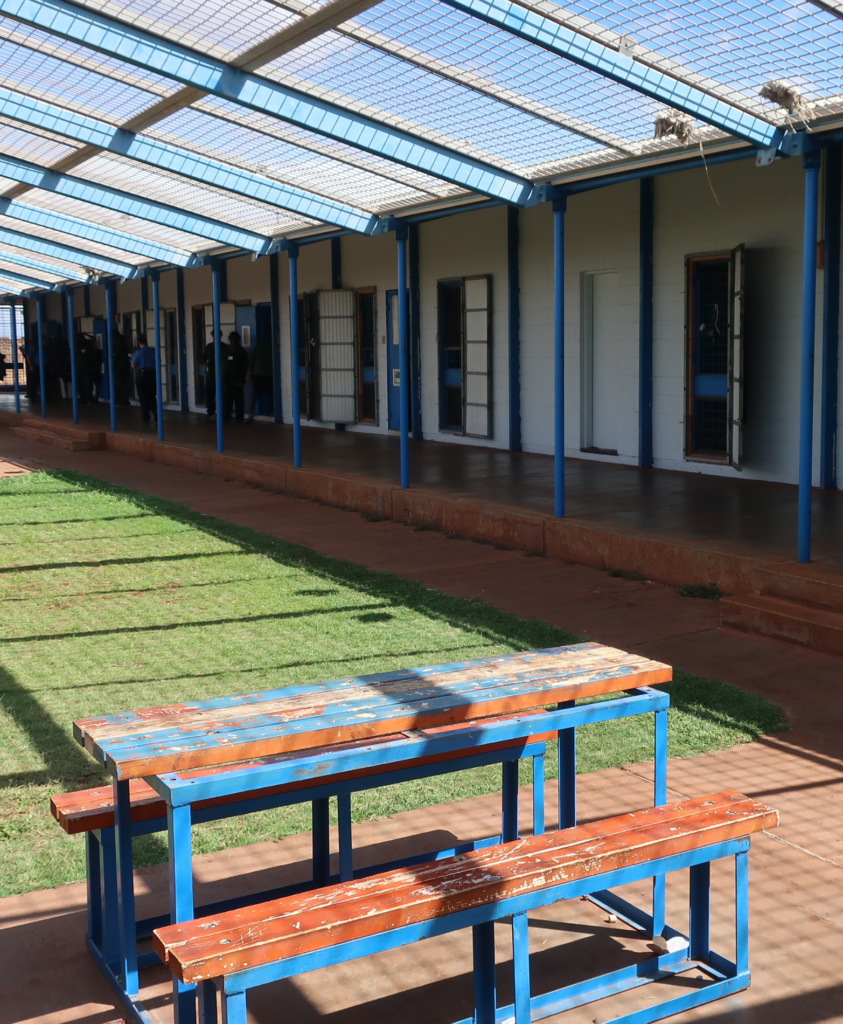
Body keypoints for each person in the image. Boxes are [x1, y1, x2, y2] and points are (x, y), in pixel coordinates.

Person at [130, 334, 157, 425]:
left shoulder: (139, 353)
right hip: (153, 375)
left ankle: (146, 417)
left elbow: (133, 365)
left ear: (139, 343)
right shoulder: (153, 351)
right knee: (152, 396)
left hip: (142, 375)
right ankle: (157, 415)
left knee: (143, 397)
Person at [246, 334, 273, 422]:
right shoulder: (273, 345)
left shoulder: (259, 346)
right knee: (272, 393)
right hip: (270, 372)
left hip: (258, 372)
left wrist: (252, 372)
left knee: (255, 393)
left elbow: (252, 360)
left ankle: (251, 412)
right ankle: (272, 410)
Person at [223, 331, 249, 423]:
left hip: (238, 379)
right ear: (229, 339)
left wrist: (242, 378)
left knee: (238, 399)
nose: (233, 340)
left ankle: (239, 417)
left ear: (239, 339)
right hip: (226, 379)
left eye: (236, 338)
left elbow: (244, 366)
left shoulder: (241, 351)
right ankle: (226, 416)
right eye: (232, 338)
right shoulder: (225, 350)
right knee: (227, 399)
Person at [203, 333, 229, 417]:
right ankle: (210, 410)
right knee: (209, 392)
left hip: (222, 373)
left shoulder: (225, 347)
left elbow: (229, 358)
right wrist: (206, 363)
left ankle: (223, 412)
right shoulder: (209, 347)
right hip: (211, 373)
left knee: (223, 394)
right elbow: (203, 358)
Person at [112, 331, 133, 405]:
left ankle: (124, 400)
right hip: (117, 370)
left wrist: (118, 370)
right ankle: (119, 400)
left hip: (121, 371)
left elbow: (122, 361)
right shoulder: (116, 348)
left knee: (122, 386)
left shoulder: (123, 349)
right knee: (117, 386)